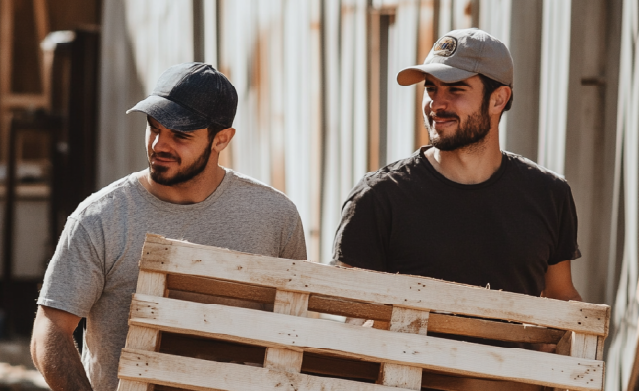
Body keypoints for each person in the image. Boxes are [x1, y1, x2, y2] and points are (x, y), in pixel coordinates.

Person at [30, 62, 307, 391]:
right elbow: (51, 331)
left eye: (180, 135)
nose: (159, 144)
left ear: (221, 139)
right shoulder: (100, 218)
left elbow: (292, 332)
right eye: (154, 127)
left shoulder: (275, 217)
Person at [332, 28, 582, 304]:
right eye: (430, 88)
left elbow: (561, 297)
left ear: (498, 99)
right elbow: (351, 315)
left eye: (455, 89)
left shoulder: (548, 193)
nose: (436, 104)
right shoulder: (379, 196)